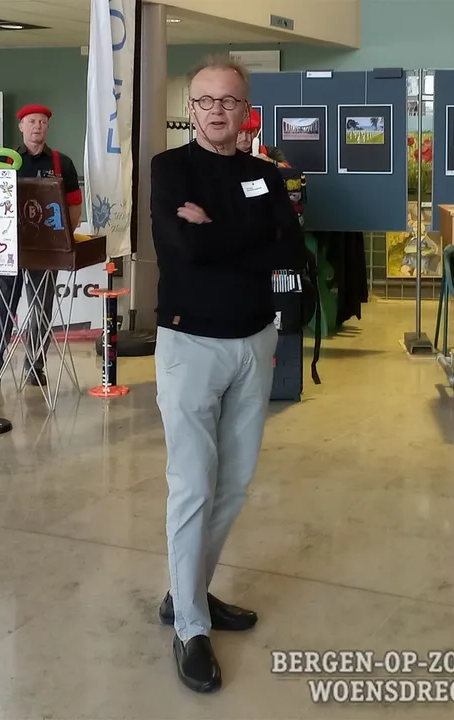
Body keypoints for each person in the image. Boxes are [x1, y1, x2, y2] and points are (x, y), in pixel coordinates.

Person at [150, 57, 307, 693]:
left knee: (234, 485)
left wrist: (223, 232)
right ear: (192, 109)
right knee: (193, 486)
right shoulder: (170, 169)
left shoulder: (265, 175)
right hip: (190, 345)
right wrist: (251, 236)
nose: (218, 111)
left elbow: (291, 249)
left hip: (253, 339)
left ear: (247, 112)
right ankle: (190, 625)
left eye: (230, 102)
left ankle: (188, 591)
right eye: (206, 101)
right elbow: (184, 249)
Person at [0, 103, 82, 392]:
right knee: (0, 310)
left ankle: (35, 367)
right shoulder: (4, 161)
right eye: (31, 121)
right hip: (5, 248)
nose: (37, 127)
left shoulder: (61, 163)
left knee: (41, 309)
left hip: (45, 250)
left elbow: (74, 204)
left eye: (42, 122)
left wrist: (66, 239)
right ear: (21, 126)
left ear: (48, 127)